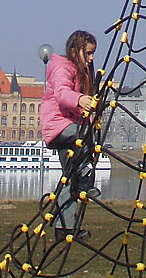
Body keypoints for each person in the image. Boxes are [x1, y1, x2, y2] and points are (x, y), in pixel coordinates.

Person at [40, 30, 98, 240]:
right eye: (88, 53)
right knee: (85, 136)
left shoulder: (84, 72)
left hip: (70, 125)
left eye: (93, 53)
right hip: (58, 125)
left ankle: (64, 228)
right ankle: (84, 181)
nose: (91, 58)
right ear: (75, 51)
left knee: (68, 177)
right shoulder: (62, 67)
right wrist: (80, 99)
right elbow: (62, 93)